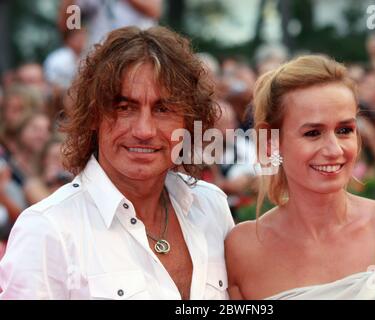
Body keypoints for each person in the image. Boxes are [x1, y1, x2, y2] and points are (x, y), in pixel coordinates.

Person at [0, 26, 234, 300]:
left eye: (163, 109)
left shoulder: (211, 207)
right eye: (124, 108)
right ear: (94, 116)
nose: (144, 130)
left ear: (188, 122)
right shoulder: (47, 230)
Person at [225, 55, 375, 300]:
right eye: (313, 133)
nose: (334, 150)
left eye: (344, 130)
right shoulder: (243, 248)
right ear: (271, 142)